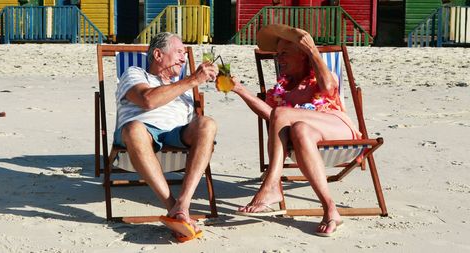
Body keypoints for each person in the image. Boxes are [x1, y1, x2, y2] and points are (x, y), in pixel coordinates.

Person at [232, 24, 361, 237]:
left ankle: (272, 183)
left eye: (284, 54)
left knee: (282, 114)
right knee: (299, 128)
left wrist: (312, 50)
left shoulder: (321, 76)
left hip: (338, 129)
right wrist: (240, 90)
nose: (278, 59)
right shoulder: (280, 90)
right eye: (276, 54)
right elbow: (274, 118)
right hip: (308, 139)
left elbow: (328, 88)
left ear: (302, 55)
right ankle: (330, 208)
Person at [113, 32, 217, 241]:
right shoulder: (135, 74)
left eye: (184, 54)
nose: (183, 58)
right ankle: (173, 208)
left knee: (207, 123)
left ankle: (183, 205)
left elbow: (195, 124)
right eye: (179, 52)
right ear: (158, 54)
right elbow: (147, 100)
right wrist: (193, 79)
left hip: (177, 134)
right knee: (133, 129)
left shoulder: (183, 85)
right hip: (141, 133)